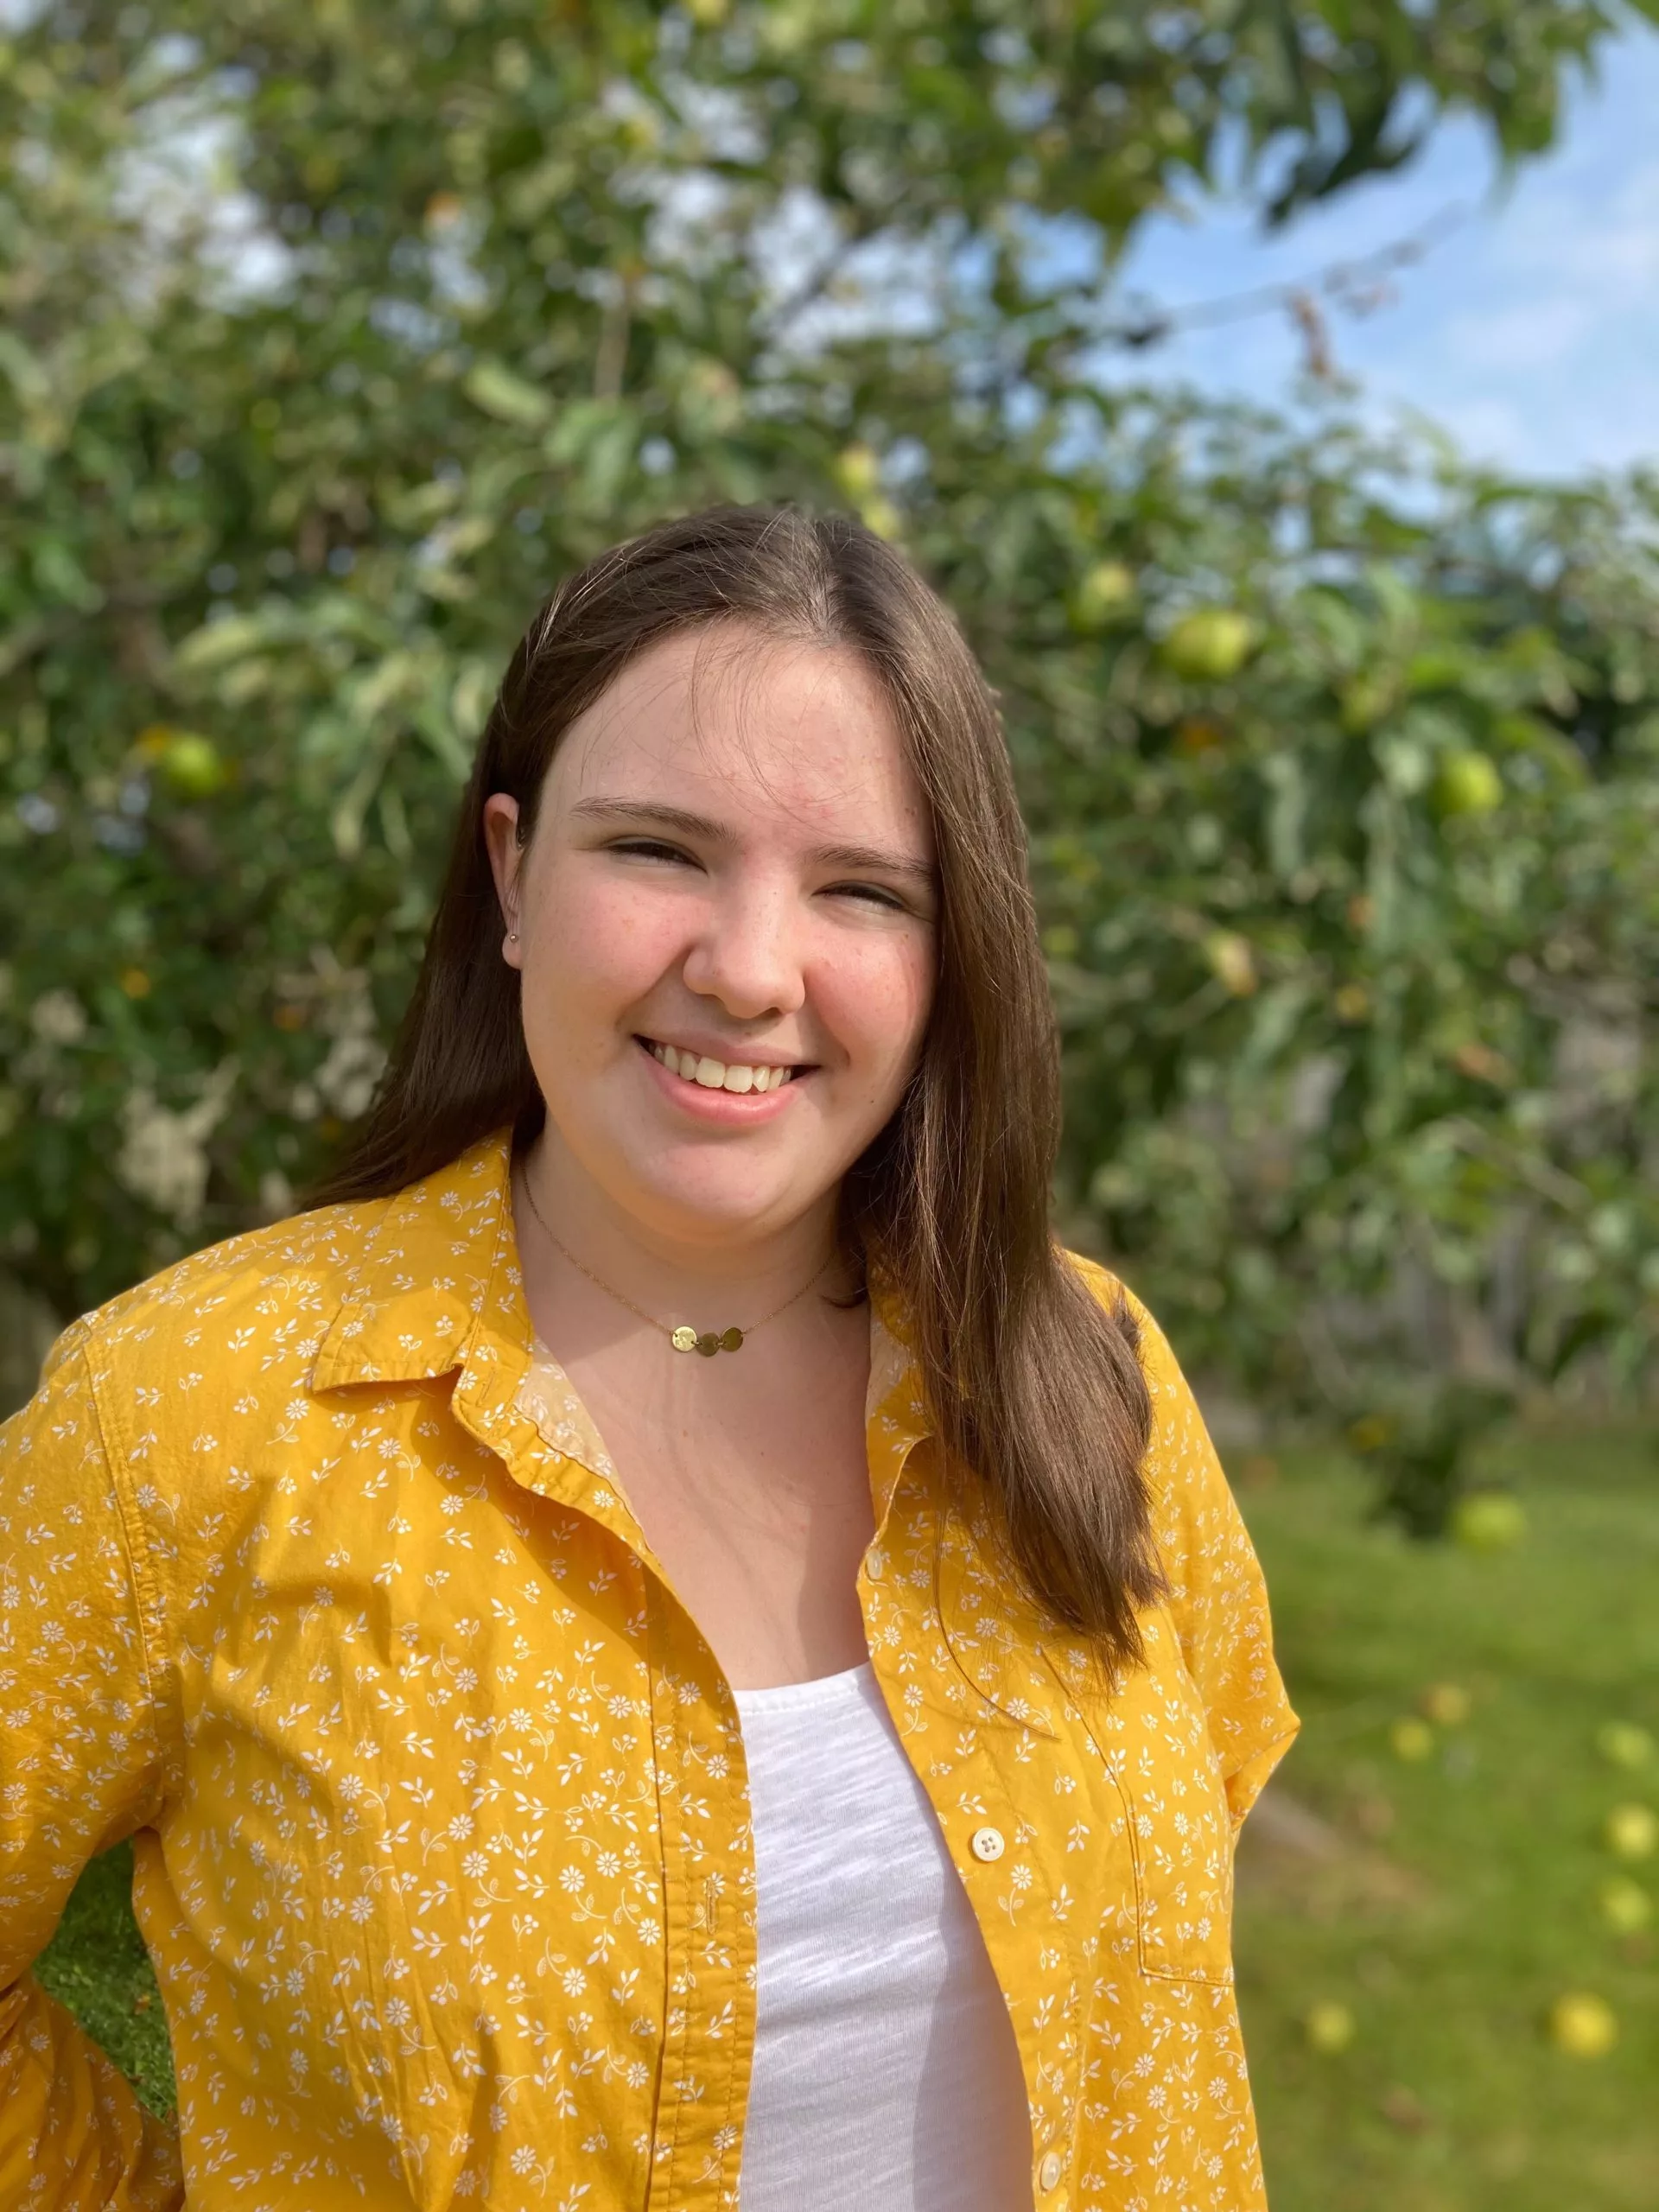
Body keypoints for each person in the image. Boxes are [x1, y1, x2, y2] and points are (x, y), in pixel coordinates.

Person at [0, 504, 1298, 2211]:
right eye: (662, 852)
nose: (750, 969)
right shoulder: (187, 1412)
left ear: (950, 954)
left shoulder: (1091, 1372)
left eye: (861, 887)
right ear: (513, 873)